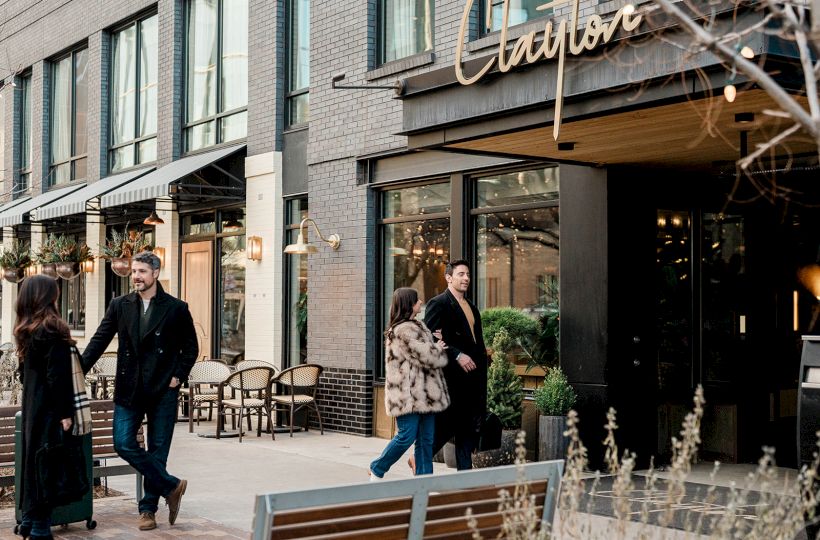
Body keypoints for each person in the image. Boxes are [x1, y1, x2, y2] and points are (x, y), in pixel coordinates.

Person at [81, 251, 198, 531]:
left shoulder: (176, 308)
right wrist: (77, 372)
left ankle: (148, 510)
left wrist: (177, 377)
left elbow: (190, 347)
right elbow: (99, 340)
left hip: (162, 390)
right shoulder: (120, 305)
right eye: (134, 271)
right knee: (123, 443)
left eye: (142, 271)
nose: (136, 276)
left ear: (155, 273)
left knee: (158, 450)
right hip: (129, 387)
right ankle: (172, 485)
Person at [14, 275, 80, 540]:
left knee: (34, 461)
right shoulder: (53, 329)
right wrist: (65, 413)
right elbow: (58, 376)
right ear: (47, 297)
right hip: (52, 410)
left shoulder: (25, 330)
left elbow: (24, 375)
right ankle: (41, 527)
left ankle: (29, 519)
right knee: (49, 466)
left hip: (33, 407)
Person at [369, 288, 450, 480]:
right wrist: (437, 347)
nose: (421, 302)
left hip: (425, 394)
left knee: (426, 440)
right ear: (409, 304)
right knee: (406, 436)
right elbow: (427, 356)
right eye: (417, 300)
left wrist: (433, 341)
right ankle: (377, 468)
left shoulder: (416, 326)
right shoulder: (403, 330)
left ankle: (424, 481)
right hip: (408, 395)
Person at [423, 259, 489, 471]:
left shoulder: (471, 307)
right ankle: (420, 458)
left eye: (468, 274)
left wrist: (484, 357)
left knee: (467, 431)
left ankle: (464, 480)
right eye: (461, 274)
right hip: (453, 380)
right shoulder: (439, 303)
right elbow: (428, 338)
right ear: (449, 278)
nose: (466, 278)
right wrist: (457, 354)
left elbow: (476, 341)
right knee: (446, 425)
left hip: (474, 380)